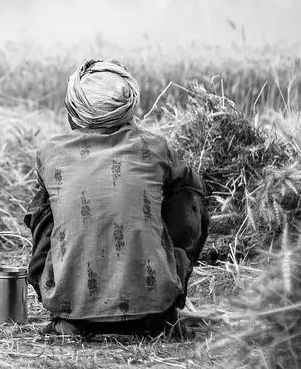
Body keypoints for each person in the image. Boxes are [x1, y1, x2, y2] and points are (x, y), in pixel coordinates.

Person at [23, 59, 209, 336]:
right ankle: (165, 286)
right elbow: (191, 201)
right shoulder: (155, 148)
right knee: (188, 189)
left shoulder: (51, 153)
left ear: (73, 111)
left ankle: (67, 299)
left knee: (46, 203)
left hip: (72, 312)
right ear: (129, 109)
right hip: (154, 315)